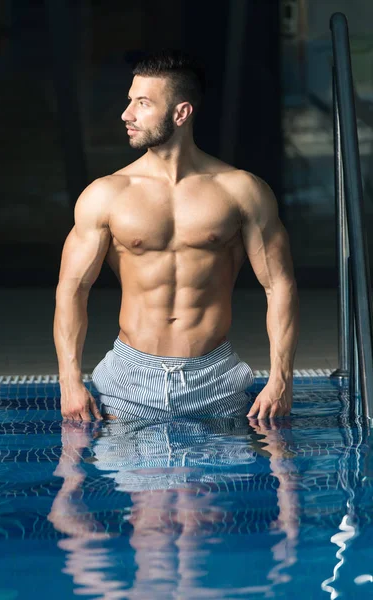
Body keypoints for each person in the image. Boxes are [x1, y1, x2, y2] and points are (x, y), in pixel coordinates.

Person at [53, 49, 299, 423]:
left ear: (181, 113)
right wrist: (69, 381)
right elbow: (72, 289)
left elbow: (279, 285)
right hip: (128, 380)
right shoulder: (107, 194)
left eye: (142, 103)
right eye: (129, 101)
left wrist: (281, 380)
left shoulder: (241, 191)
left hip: (215, 378)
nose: (127, 114)